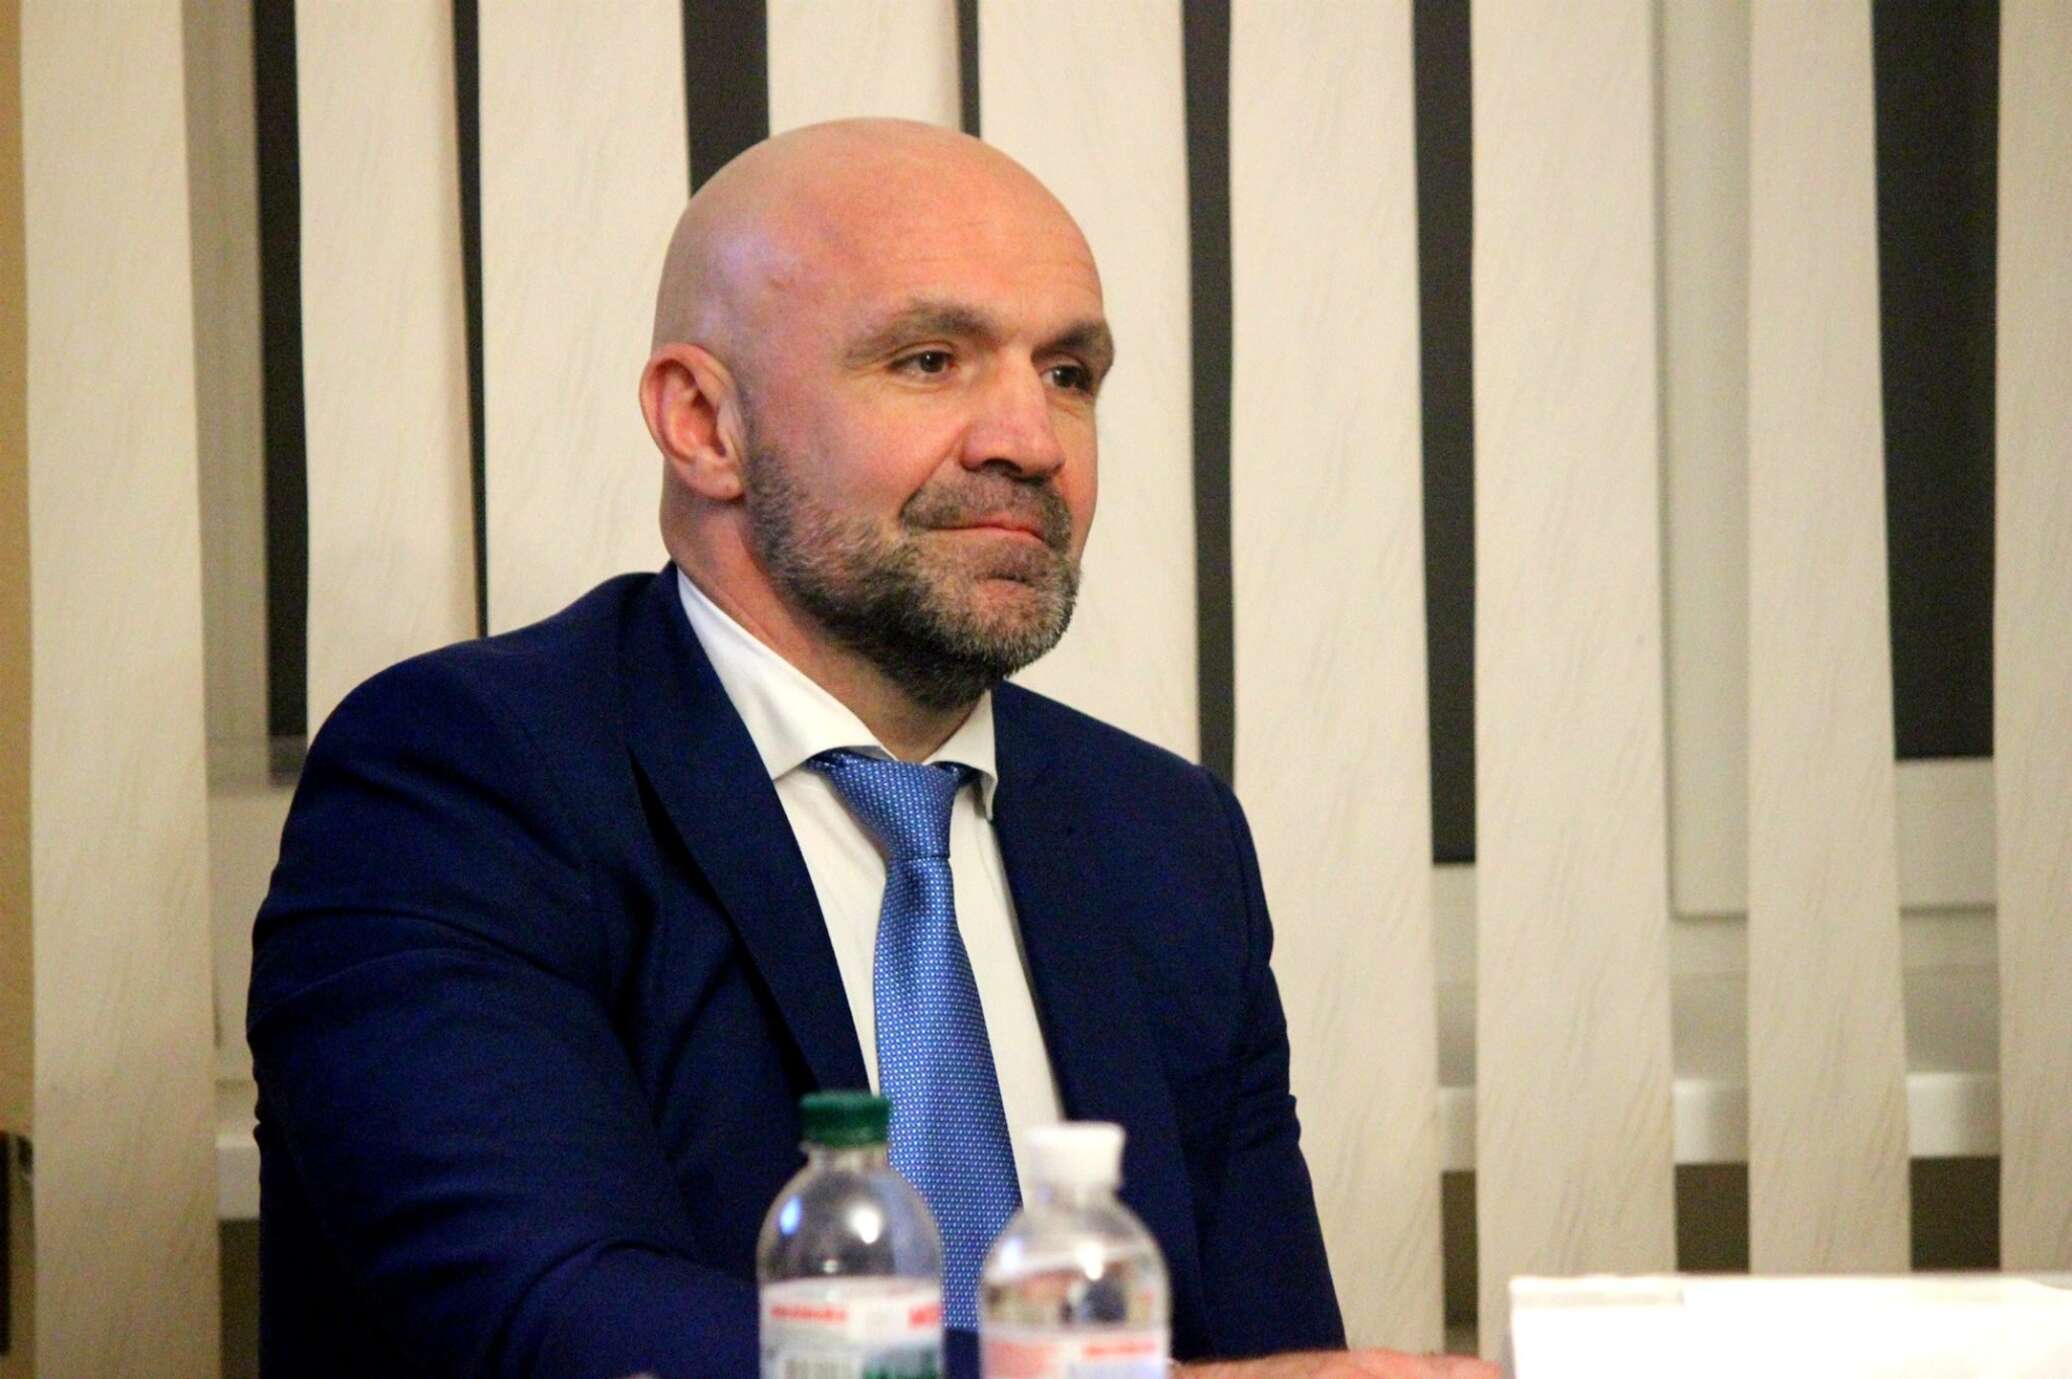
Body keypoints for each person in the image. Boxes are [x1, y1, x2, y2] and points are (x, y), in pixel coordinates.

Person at [248, 118, 1494, 1379]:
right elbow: (560, 1315)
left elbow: (1273, 1354)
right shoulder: (464, 778)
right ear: (703, 423)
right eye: (929, 360)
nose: (1031, 440)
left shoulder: (1164, 835)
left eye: (1068, 373)